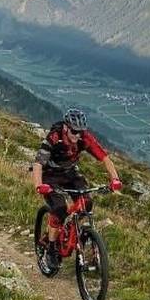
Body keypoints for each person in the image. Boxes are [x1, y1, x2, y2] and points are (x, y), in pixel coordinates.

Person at [33, 107, 122, 261]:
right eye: (74, 131)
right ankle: (52, 249)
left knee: (86, 203)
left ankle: (70, 228)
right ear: (66, 127)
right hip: (50, 176)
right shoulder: (54, 137)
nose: (77, 135)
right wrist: (39, 185)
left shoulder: (84, 138)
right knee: (60, 208)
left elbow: (105, 158)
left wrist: (115, 179)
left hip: (70, 173)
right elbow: (38, 164)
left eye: (80, 132)